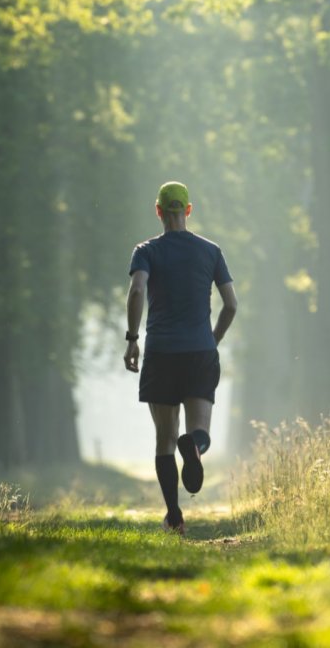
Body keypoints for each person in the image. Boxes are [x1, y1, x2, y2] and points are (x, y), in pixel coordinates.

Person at [124, 181, 238, 536]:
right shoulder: (211, 251)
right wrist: (213, 339)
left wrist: (132, 339)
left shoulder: (146, 251)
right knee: (198, 429)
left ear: (158, 211)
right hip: (199, 351)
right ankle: (197, 447)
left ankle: (174, 516)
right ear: (188, 210)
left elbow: (138, 288)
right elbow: (231, 305)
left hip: (160, 353)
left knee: (165, 438)